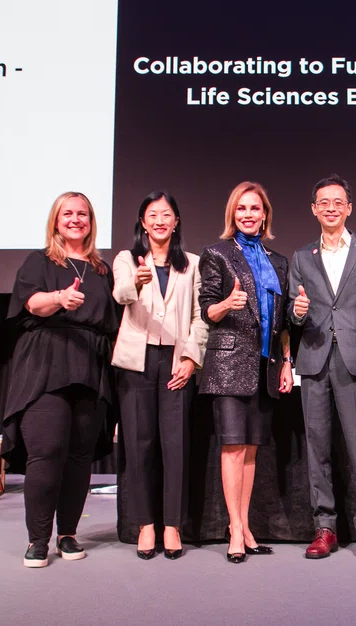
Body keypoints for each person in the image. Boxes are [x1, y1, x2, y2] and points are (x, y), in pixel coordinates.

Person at [2, 191, 120, 568]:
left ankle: (67, 534)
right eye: (67, 213)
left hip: (90, 364)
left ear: (91, 221)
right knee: (46, 453)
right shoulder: (40, 261)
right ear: (56, 220)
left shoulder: (103, 270)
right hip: (47, 361)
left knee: (79, 456)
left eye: (82, 214)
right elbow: (31, 303)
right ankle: (38, 540)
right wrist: (58, 298)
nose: (75, 219)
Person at [288, 175, 356, 559]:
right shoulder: (301, 257)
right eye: (323, 202)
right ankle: (324, 527)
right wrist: (296, 312)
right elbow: (292, 310)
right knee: (318, 449)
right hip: (315, 358)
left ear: (349, 207)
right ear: (314, 209)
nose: (330, 208)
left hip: (355, 356)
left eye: (338, 202)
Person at [198, 181, 294, 564]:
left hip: (266, 366)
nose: (249, 215)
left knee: (251, 451)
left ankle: (245, 525)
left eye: (255, 208)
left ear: (265, 214)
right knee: (232, 448)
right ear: (232, 214)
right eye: (242, 209)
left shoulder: (278, 261)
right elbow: (206, 309)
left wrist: (288, 361)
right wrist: (226, 303)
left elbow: (283, 320)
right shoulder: (217, 254)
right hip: (228, 364)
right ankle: (235, 529)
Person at [112, 191, 208, 560]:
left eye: (166, 214)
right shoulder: (127, 259)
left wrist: (191, 358)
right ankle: (145, 525)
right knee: (139, 445)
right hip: (137, 361)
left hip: (176, 360)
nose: (159, 221)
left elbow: (200, 317)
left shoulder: (193, 264)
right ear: (142, 221)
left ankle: (172, 525)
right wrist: (136, 281)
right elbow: (121, 295)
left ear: (176, 221)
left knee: (175, 444)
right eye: (152, 214)